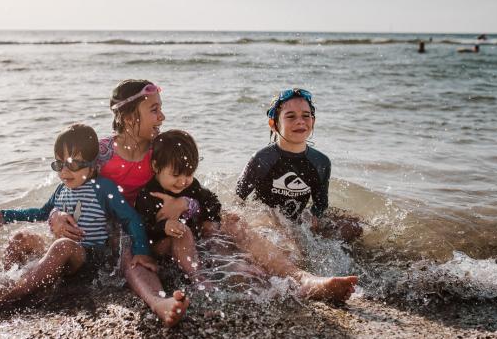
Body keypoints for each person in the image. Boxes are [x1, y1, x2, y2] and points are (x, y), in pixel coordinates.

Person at [0, 124, 156, 317]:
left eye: (72, 164)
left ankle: (7, 297)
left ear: (93, 164)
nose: (64, 172)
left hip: (89, 257)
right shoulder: (61, 190)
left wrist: (142, 251)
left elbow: (130, 217)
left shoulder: (102, 188)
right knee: (21, 237)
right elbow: (41, 213)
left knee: (62, 246)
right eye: (59, 164)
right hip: (64, 250)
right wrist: (6, 215)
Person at [47, 80, 192, 326]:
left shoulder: (160, 151)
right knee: (128, 251)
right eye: (154, 110)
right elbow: (68, 189)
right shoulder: (102, 153)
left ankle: (213, 282)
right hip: (110, 233)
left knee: (201, 232)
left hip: (151, 226)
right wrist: (56, 216)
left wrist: (185, 203)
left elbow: (191, 186)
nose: (162, 116)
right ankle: (160, 302)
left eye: (160, 109)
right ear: (127, 117)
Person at [220, 88, 360, 302]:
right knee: (285, 243)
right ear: (273, 124)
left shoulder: (321, 162)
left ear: (313, 121)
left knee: (355, 225)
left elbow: (321, 203)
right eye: (291, 116)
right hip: (266, 218)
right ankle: (302, 281)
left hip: (296, 220)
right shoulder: (262, 159)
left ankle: (315, 263)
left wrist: (314, 216)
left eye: (306, 116)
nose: (300, 121)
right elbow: (238, 199)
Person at [135, 130, 221, 285]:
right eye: (175, 175)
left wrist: (211, 220)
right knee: (182, 231)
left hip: (190, 247)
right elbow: (143, 228)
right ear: (155, 166)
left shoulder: (192, 186)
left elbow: (212, 201)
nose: (182, 182)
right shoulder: (148, 194)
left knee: (223, 225)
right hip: (162, 247)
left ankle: (238, 263)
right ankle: (197, 277)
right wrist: (163, 226)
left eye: (188, 174)